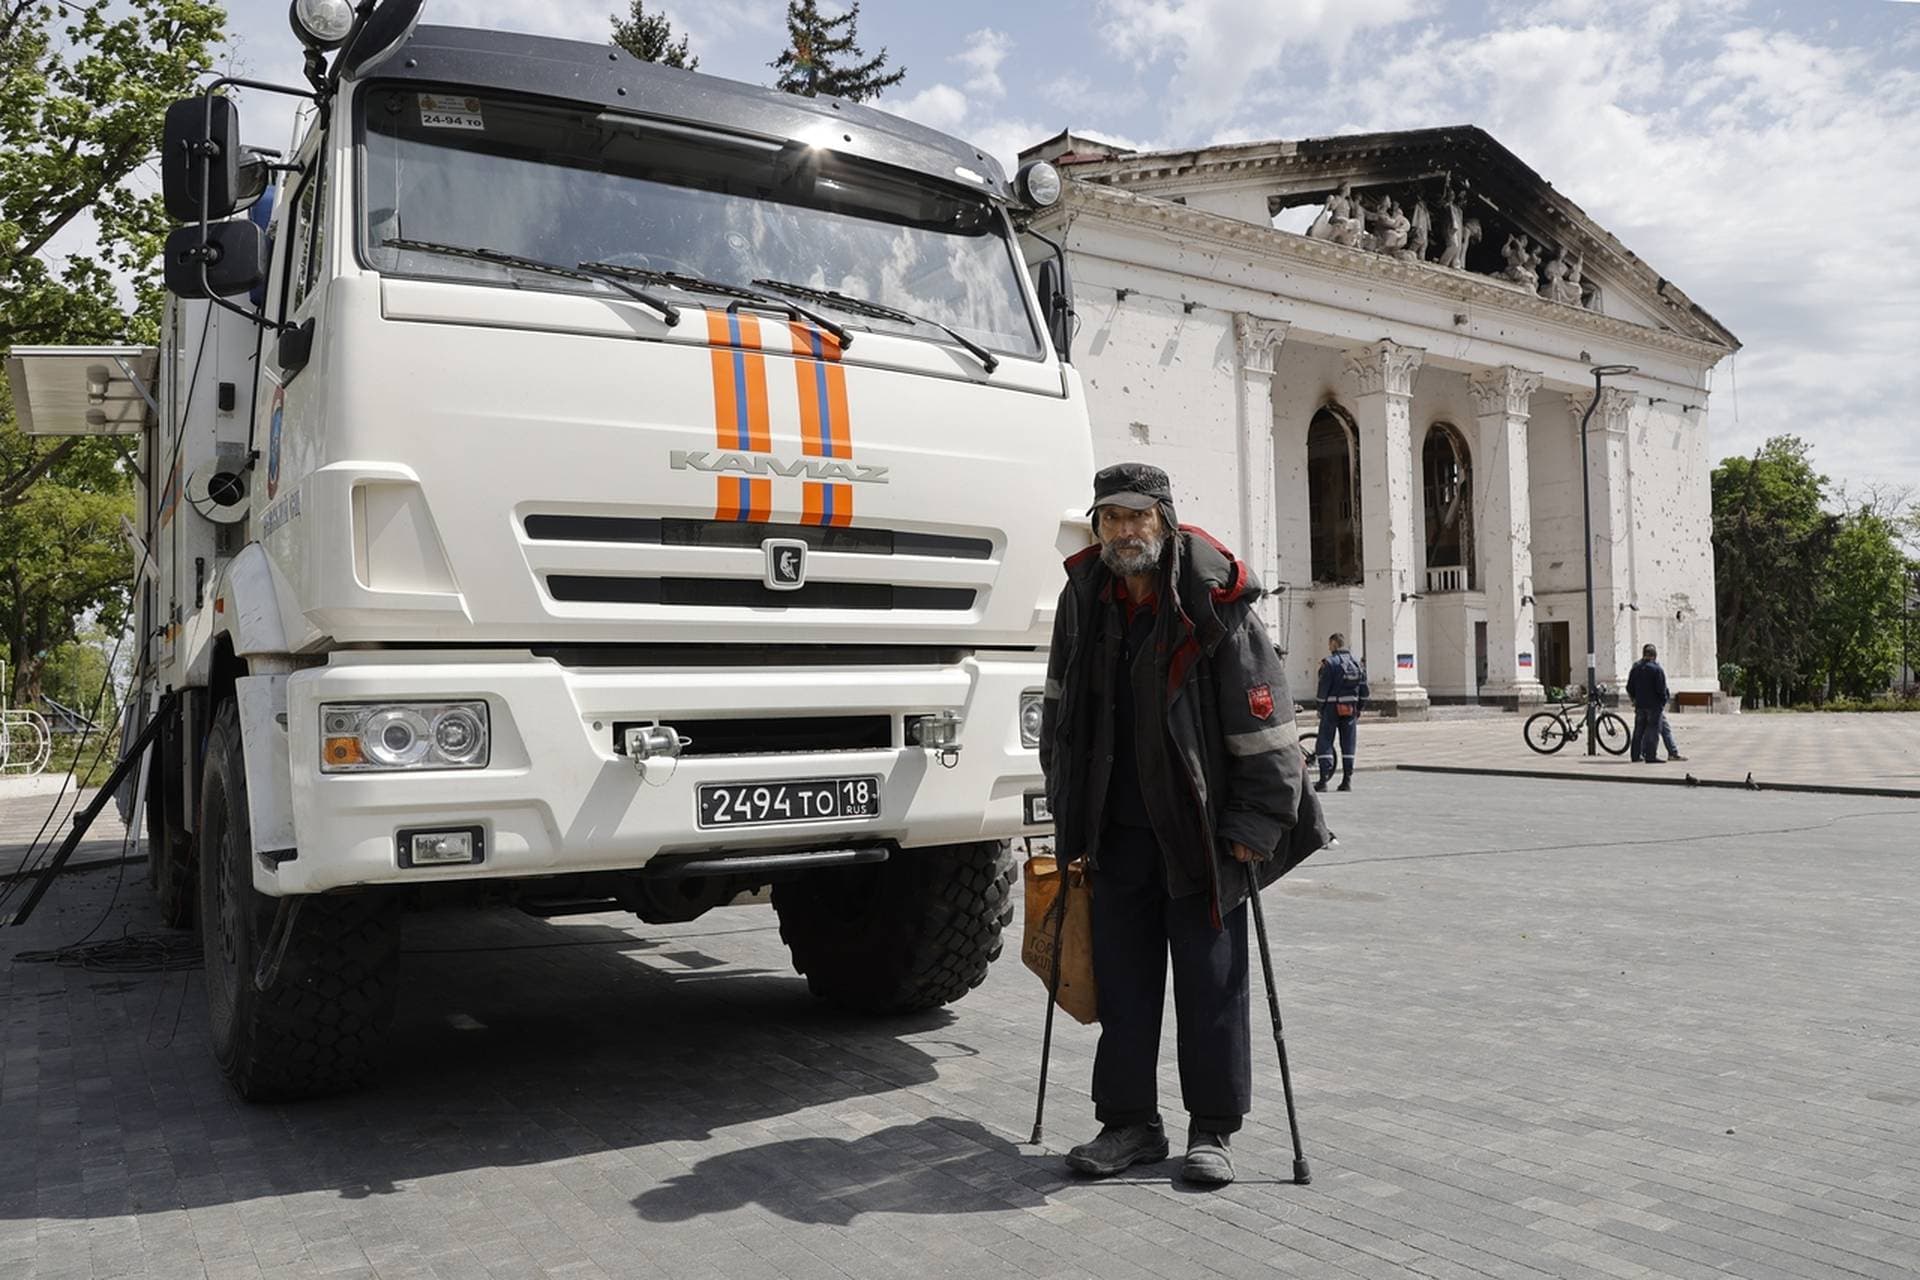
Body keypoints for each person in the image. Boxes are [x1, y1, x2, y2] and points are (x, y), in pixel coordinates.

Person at [1038, 461, 1329, 1189]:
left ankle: (1213, 1131)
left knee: (1212, 987)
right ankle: (1130, 1124)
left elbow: (1267, 723)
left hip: (1204, 835)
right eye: (1110, 518)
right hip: (1116, 833)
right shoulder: (1085, 600)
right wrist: (1068, 817)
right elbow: (1060, 714)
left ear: (1165, 520)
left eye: (1136, 517)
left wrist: (1256, 824)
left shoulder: (1214, 599)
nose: (1123, 530)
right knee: (1124, 987)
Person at [1314, 634, 1369, 792]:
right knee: (1348, 743)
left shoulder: (1330, 663)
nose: (1328, 647)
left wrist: (1319, 707)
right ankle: (1347, 780)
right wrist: (1359, 708)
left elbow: (1323, 689)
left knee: (1325, 741)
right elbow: (1365, 691)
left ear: (1334, 643)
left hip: (1331, 708)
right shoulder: (1358, 664)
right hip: (1350, 708)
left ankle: (1323, 780)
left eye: (1329, 644)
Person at [1625, 644, 1669, 764]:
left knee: (1638, 731)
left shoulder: (1636, 668)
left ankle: (1635, 755)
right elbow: (1661, 689)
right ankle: (1650, 756)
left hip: (1640, 705)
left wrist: (1634, 699)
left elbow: (1629, 687)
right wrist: (1663, 701)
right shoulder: (1656, 669)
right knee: (1653, 731)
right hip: (1654, 705)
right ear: (1654, 656)